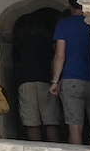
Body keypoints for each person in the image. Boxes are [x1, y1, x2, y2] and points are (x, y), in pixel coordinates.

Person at [50, 0, 90, 145]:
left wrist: (55, 81)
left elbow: (59, 55)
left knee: (75, 127)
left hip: (71, 80)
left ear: (70, 4)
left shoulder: (64, 24)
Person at [13, 9, 61, 142]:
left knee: (31, 122)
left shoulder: (21, 39)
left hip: (25, 80)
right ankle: (54, 150)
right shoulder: (48, 38)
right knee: (50, 120)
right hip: (46, 79)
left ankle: (36, 150)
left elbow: (16, 59)